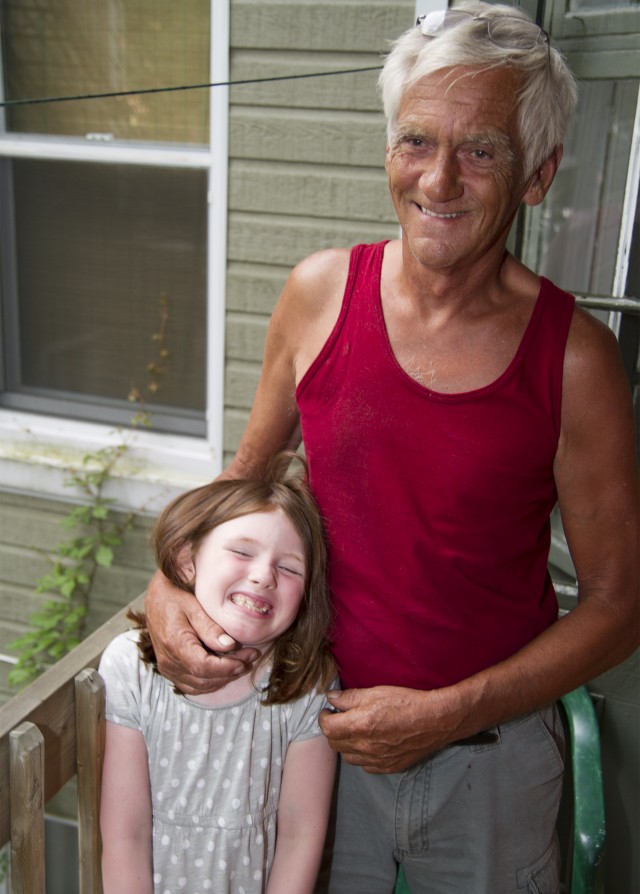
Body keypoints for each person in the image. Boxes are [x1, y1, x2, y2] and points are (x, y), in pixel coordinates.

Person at [143, 3, 640, 892]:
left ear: (539, 174)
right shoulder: (318, 294)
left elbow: (617, 605)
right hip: (314, 738)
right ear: (387, 150)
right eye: (416, 141)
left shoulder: (574, 360)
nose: (440, 179)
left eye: (481, 150)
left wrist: (450, 712)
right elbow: (245, 481)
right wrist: (168, 582)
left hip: (490, 768)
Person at [99, 453, 337, 894]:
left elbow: (301, 837)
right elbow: (124, 835)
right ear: (188, 560)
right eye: (242, 551)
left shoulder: (308, 686)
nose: (264, 576)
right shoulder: (130, 668)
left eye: (288, 568)